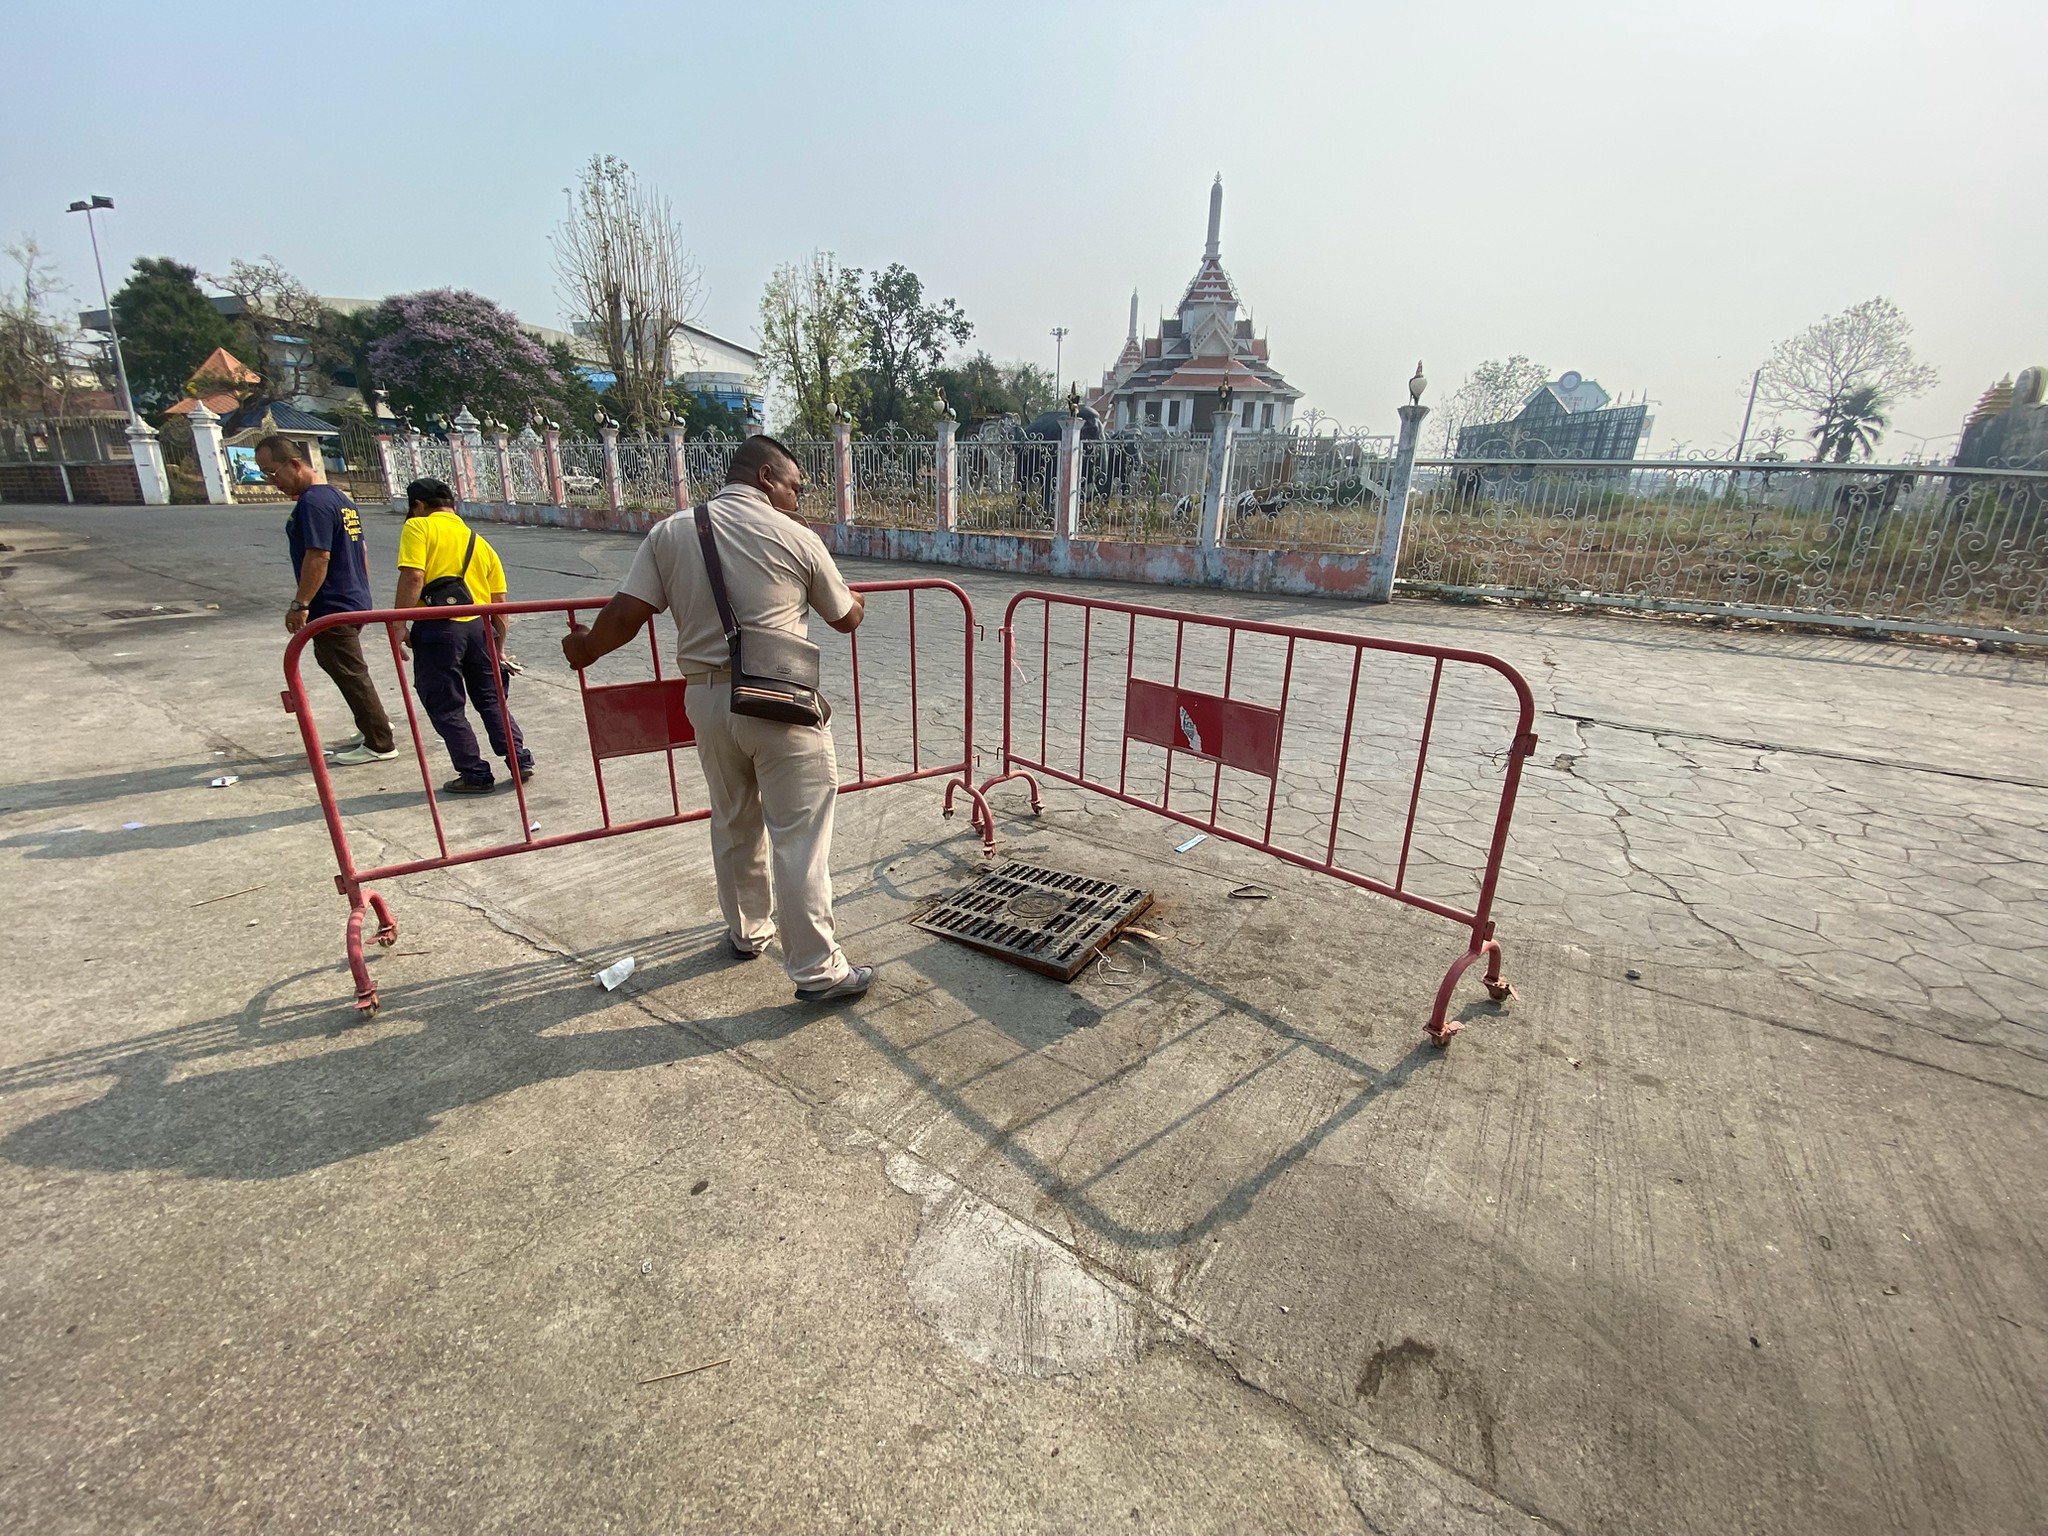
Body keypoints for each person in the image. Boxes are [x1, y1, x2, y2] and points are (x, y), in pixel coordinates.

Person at [561, 435, 871, 1003]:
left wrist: (585, 649)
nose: (799, 499)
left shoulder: (672, 531)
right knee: (799, 838)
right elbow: (846, 618)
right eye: (795, 487)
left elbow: (627, 613)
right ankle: (818, 972)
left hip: (706, 701)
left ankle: (748, 932)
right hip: (780, 702)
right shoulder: (796, 536)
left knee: (733, 819)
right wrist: (855, 601)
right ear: (766, 477)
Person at [394, 478, 533, 796]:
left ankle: (474, 774)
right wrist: (499, 647)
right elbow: (499, 602)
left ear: (418, 506)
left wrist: (398, 624)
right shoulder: (480, 542)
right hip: (480, 630)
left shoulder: (418, 527)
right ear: (452, 506)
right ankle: (519, 759)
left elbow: (413, 576)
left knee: (446, 705)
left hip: (438, 629)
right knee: (491, 699)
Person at [263, 434, 397, 765]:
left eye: (272, 472)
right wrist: (360, 589)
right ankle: (374, 723)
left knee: (348, 670)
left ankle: (380, 741)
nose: (272, 482)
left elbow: (318, 556)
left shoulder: (313, 503)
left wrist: (301, 603)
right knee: (341, 664)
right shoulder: (339, 498)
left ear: (294, 464)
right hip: (352, 597)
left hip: (332, 602)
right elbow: (361, 549)